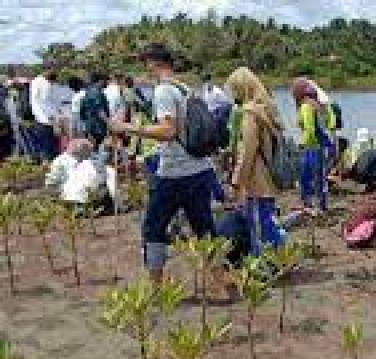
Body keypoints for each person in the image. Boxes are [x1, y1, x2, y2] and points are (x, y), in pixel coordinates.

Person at [110, 43, 217, 283]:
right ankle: (227, 285)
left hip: (174, 173)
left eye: (145, 64)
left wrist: (126, 127)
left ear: (152, 63)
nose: (145, 70)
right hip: (200, 167)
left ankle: (156, 291)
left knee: (153, 229)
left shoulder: (163, 91)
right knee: (205, 230)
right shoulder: (185, 88)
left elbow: (168, 131)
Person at [225, 67, 287, 255]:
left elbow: (247, 152)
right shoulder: (267, 109)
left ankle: (264, 266)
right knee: (268, 220)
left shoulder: (250, 113)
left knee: (259, 226)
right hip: (269, 175)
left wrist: (236, 182)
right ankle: (279, 259)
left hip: (257, 178)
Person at [291, 77, 334, 213]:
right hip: (322, 145)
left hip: (312, 147)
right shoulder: (319, 107)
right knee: (319, 178)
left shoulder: (305, 107)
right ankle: (322, 206)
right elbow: (329, 124)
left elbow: (309, 129)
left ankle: (309, 204)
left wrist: (302, 144)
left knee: (306, 177)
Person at [29, 69, 60, 161]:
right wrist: (55, 124)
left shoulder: (35, 81)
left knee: (43, 150)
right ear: (47, 70)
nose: (55, 72)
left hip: (39, 120)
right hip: (47, 122)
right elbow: (47, 106)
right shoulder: (44, 84)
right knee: (50, 152)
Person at [81, 72, 110, 150]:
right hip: (96, 128)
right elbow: (100, 111)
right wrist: (109, 123)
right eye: (106, 81)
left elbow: (82, 112)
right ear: (100, 81)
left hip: (91, 126)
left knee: (91, 150)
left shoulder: (88, 92)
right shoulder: (96, 93)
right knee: (94, 150)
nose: (108, 83)